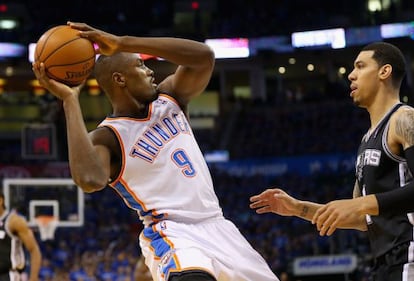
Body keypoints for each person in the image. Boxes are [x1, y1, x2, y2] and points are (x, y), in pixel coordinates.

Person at [32, 21, 280, 281]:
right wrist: (70, 101)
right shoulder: (108, 137)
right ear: (120, 79)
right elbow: (90, 179)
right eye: (140, 65)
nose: (150, 72)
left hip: (221, 226)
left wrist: (124, 42)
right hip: (173, 232)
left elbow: (204, 57)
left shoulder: (170, 97)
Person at [250, 41, 414, 281]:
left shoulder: (405, 119)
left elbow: (362, 207)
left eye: (360, 66)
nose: (351, 74)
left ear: (384, 71)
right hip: (384, 261)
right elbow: (361, 218)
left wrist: (361, 204)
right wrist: (298, 208)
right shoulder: (367, 139)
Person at [0, 191, 41, 281]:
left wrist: (33, 278)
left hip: (9, 275)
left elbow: (34, 250)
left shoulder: (14, 221)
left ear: (1, 200)